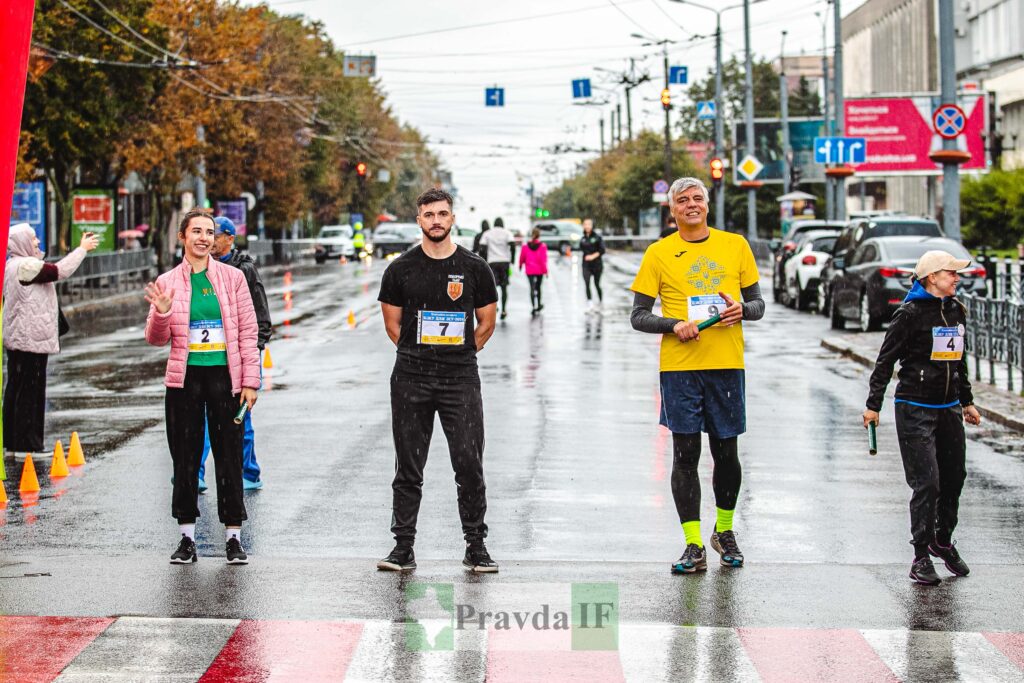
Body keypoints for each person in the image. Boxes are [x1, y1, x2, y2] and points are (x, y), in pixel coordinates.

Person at [629, 177, 764, 575]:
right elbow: (638, 316)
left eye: (697, 198)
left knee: (727, 452)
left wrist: (743, 309)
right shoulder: (659, 253)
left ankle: (724, 532)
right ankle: (692, 543)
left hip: (726, 364)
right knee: (686, 456)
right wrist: (673, 325)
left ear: (708, 204)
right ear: (672, 210)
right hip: (680, 368)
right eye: (682, 200)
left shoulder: (735, 245)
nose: (691, 205)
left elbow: (757, 304)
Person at [376, 188, 499, 573]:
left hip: (460, 380)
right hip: (411, 378)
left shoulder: (475, 267)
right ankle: (402, 547)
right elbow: (393, 326)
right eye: (428, 215)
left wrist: (459, 355)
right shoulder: (400, 269)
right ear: (419, 221)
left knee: (468, 462)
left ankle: (476, 544)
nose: (435, 221)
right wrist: (421, 357)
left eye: (442, 214)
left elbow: (487, 322)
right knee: (409, 466)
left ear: (452, 218)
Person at [144, 209, 260, 565]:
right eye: (196, 231)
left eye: (209, 232)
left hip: (225, 378)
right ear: (182, 237)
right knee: (186, 458)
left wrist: (250, 382)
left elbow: (247, 331)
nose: (204, 238)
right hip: (185, 380)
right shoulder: (168, 282)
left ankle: (233, 537)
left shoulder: (233, 278)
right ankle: (186, 538)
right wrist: (162, 313)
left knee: (228, 456)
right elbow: (155, 338)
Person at [863, 251, 982, 586]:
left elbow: (959, 360)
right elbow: (885, 362)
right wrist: (873, 405)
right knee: (926, 482)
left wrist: (967, 401)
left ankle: (941, 540)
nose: (957, 279)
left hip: (948, 409)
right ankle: (919, 557)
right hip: (914, 407)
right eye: (951, 274)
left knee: (955, 477)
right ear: (932, 277)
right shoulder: (909, 314)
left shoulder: (956, 309)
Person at [3, 224, 98, 458]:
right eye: (33, 239)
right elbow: (59, 271)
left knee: (17, 389)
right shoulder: (26, 265)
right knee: (31, 393)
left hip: (20, 337)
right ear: (21, 242)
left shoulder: (11, 265)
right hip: (30, 338)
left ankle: (13, 444)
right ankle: (29, 445)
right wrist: (82, 249)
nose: (37, 242)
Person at [192, 216, 272, 492]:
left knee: (240, 416)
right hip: (209, 354)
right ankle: (196, 472)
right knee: (202, 416)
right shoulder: (199, 267)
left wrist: (255, 348)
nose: (210, 240)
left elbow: (260, 315)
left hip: (240, 355)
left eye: (215, 234)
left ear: (229, 238)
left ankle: (248, 472)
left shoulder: (245, 270)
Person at [479, 217, 515, 320]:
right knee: (504, 287)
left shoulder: (488, 233)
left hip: (492, 262)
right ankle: (504, 309)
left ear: (494, 224)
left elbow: (482, 248)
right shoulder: (507, 233)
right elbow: (512, 245)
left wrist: (484, 261)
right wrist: (512, 259)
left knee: (492, 287)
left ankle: (496, 307)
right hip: (504, 262)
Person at [519, 227, 549, 316]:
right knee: (538, 287)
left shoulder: (525, 246)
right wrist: (546, 271)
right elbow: (543, 260)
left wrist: (520, 265)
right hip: (539, 270)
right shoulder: (543, 246)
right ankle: (539, 304)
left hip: (530, 270)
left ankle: (533, 306)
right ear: (539, 235)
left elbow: (522, 257)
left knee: (531, 288)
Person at [579, 219, 606, 312]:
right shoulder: (582, 238)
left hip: (597, 265)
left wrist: (592, 256)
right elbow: (580, 249)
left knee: (597, 284)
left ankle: (600, 302)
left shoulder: (597, 237)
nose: (587, 226)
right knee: (587, 283)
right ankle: (590, 304)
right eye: (585, 224)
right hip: (586, 265)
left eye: (589, 224)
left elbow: (602, 250)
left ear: (592, 225)